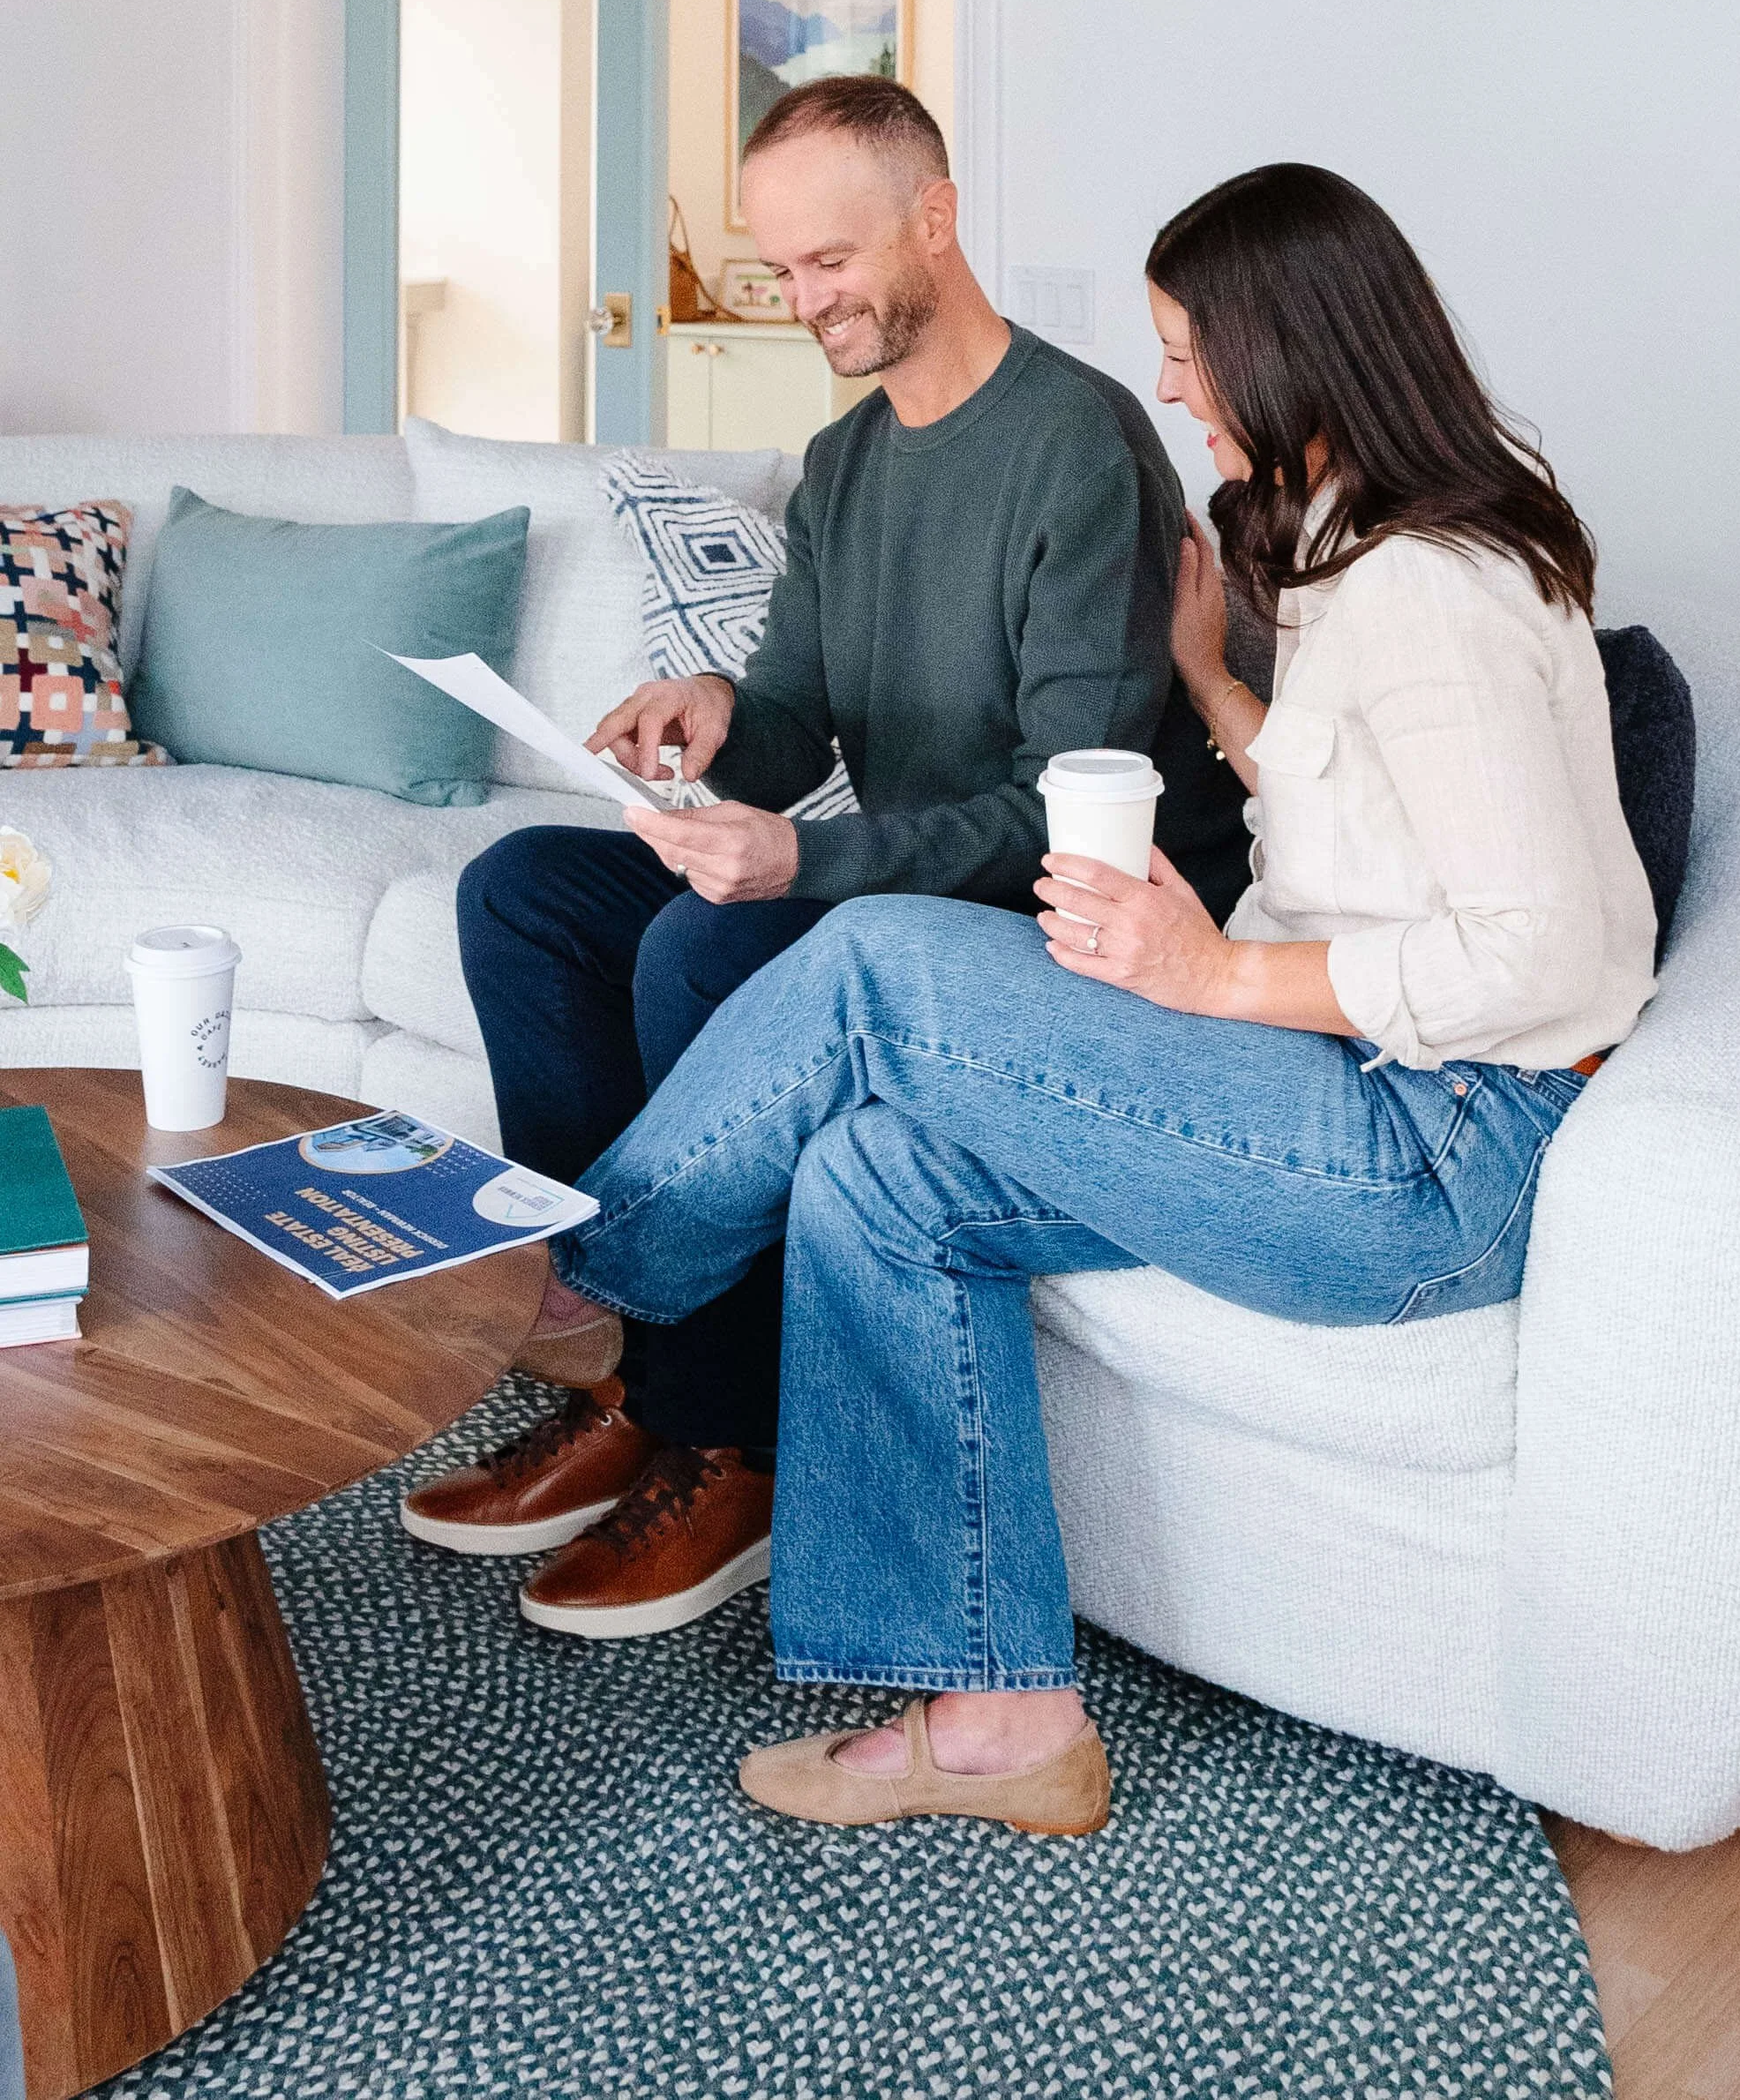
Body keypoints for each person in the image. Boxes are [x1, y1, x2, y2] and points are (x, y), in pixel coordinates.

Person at [538, 161, 1661, 1829]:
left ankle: (569, 1273)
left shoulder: (1433, 592)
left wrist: (1218, 973)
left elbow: (1545, 954)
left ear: (1294, 351)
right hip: (1361, 1098)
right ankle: (1007, 1717)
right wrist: (1213, 678)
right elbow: (1378, 835)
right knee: (872, 1170)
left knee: (871, 964)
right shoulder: (1370, 560)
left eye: (1192, 350)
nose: (1175, 385)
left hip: (1436, 1158)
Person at [402, 77, 1249, 1635]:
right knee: (521, 891)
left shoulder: (1080, 448)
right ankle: (652, 1391)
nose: (803, 301)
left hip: (1034, 916)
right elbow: (802, 718)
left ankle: (735, 1444)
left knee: (705, 941)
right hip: (891, 878)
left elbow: (1064, 809)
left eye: (829, 261)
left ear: (935, 216)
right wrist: (720, 714)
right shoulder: (848, 461)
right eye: (779, 270)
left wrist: (799, 869)